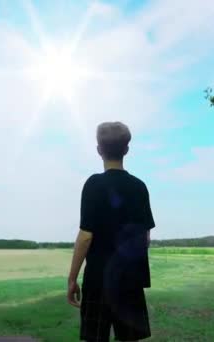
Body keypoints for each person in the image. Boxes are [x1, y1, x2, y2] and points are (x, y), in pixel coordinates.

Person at [67, 121, 155, 341]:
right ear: (126, 149)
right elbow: (144, 238)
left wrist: (72, 279)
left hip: (98, 280)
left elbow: (86, 236)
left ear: (99, 150)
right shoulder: (139, 186)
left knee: (95, 337)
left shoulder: (93, 185)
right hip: (130, 279)